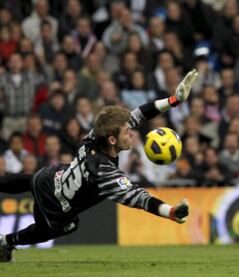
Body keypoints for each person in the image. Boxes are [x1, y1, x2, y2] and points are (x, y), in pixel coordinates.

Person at [0, 69, 199, 262]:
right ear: (112, 140)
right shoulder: (105, 174)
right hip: (58, 207)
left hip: (49, 179)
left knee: (29, 180)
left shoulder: (94, 136)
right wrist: (171, 212)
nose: (132, 133)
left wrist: (174, 100)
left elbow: (140, 114)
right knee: (66, 226)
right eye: (127, 132)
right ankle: (6, 242)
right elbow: (139, 198)